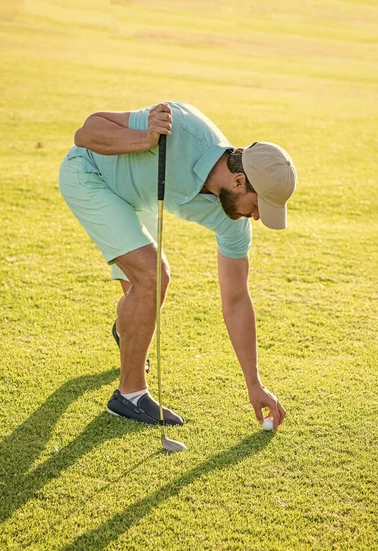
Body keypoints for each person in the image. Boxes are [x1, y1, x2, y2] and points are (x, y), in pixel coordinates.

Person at [58, 101, 296, 430]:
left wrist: (254, 384)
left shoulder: (233, 223)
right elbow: (86, 133)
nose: (256, 217)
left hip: (134, 198)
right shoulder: (180, 126)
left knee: (140, 297)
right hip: (90, 174)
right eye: (257, 207)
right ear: (239, 181)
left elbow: (236, 300)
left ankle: (126, 333)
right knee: (152, 277)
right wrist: (144, 139)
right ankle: (129, 395)